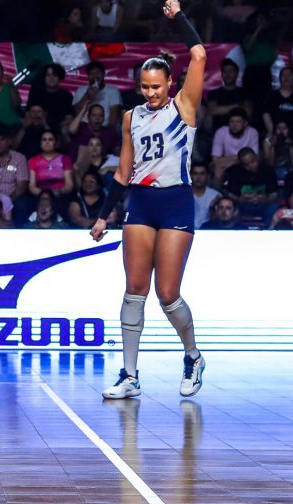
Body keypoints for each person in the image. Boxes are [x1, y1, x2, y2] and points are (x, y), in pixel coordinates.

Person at [91, 1, 207, 401]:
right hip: (139, 203)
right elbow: (123, 172)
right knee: (134, 289)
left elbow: (199, 54)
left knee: (168, 293)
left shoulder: (184, 107)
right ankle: (129, 374)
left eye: (157, 86)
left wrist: (178, 18)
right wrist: (104, 216)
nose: (151, 93)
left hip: (175, 202)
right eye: (145, 87)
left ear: (170, 84)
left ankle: (192, 356)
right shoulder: (131, 117)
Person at [191, 162, 220, 229]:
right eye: (195, 173)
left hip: (209, 232)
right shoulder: (183, 195)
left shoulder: (216, 195)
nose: (198, 177)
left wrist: (212, 210)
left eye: (202, 174)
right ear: (190, 176)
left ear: (208, 176)